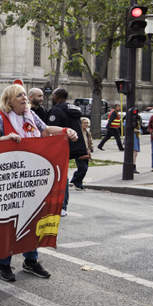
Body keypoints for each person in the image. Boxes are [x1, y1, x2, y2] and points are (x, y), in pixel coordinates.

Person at [0, 84, 77, 282]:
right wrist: (4, 138)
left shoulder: (31, 117)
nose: (24, 98)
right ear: (9, 101)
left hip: (30, 180)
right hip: (8, 180)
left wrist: (66, 130)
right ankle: (4, 263)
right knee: (9, 222)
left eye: (25, 95)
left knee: (32, 219)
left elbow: (47, 129)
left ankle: (30, 260)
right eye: (19, 96)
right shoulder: (0, 117)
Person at [47, 88, 87, 216]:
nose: (51, 97)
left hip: (62, 146)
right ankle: (63, 206)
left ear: (57, 97)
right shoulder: (74, 109)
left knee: (61, 177)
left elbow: (51, 130)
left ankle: (60, 206)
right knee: (64, 175)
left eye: (53, 95)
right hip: (77, 145)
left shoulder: (57, 110)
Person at [71, 117, 93, 190]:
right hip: (79, 152)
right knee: (83, 168)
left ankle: (78, 182)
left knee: (84, 169)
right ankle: (76, 182)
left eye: (87, 123)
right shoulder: (78, 132)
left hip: (86, 152)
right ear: (81, 124)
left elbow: (89, 141)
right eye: (84, 123)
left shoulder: (87, 132)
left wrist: (90, 149)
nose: (86, 124)